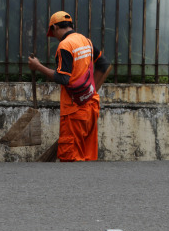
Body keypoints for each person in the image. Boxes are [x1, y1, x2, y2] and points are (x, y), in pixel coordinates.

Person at [28, 11, 110, 162]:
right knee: (87, 157)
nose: (55, 37)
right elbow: (104, 64)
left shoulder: (65, 46)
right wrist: (90, 90)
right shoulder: (85, 41)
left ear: (55, 27)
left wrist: (38, 66)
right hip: (91, 106)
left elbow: (62, 78)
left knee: (70, 158)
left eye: (53, 32)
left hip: (74, 111)